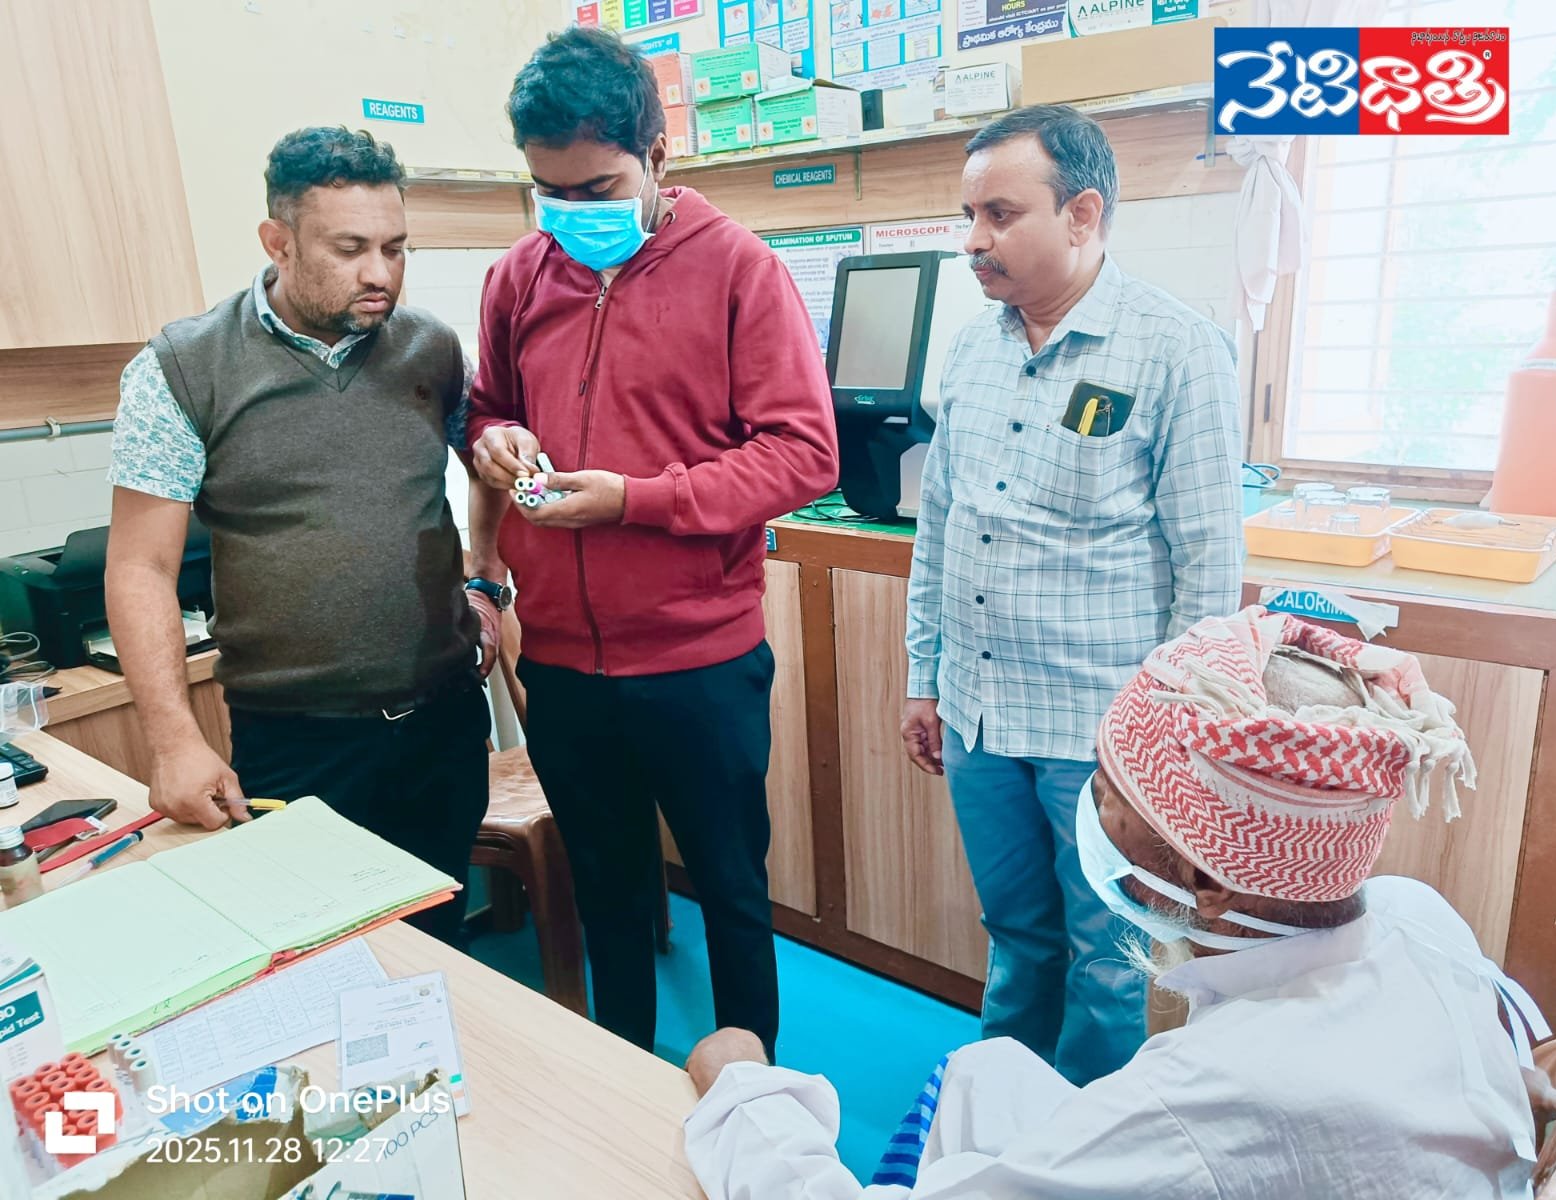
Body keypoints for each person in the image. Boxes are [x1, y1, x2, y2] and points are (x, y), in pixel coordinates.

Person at [684, 606, 1549, 1198]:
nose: (1085, 810)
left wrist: (748, 1091)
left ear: (1207, 880)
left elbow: (1191, 1122)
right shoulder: (1414, 914)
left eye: (1109, 796)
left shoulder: (1207, 1095)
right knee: (988, 1072)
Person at [467, 27, 838, 1061]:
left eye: (597, 186)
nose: (571, 216)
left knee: (729, 887)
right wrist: (492, 440)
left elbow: (804, 455)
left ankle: (755, 1093)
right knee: (608, 886)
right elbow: (487, 407)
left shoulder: (739, 270)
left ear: (659, 156)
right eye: (548, 191)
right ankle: (620, 1070)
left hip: (699, 660)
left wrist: (635, 499)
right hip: (565, 664)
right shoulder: (517, 276)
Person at [899, 102, 1244, 1084]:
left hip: (1102, 736)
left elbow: (1208, 568)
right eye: (968, 216)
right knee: (1014, 936)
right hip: (977, 716)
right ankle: (1001, 1111)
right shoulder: (971, 349)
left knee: (1106, 960)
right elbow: (942, 534)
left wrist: (1170, 744)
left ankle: (1084, 1154)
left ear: (1082, 215)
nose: (973, 242)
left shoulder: (1176, 350)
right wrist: (924, 679)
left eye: (999, 215)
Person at [105, 127, 506, 944]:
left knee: (444, 949)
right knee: (320, 961)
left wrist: (483, 576)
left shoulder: (430, 346)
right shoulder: (184, 366)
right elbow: (141, 567)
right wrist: (175, 740)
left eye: (396, 248)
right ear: (277, 243)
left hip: (442, 722)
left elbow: (485, 459)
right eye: (351, 248)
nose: (380, 274)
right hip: (297, 739)